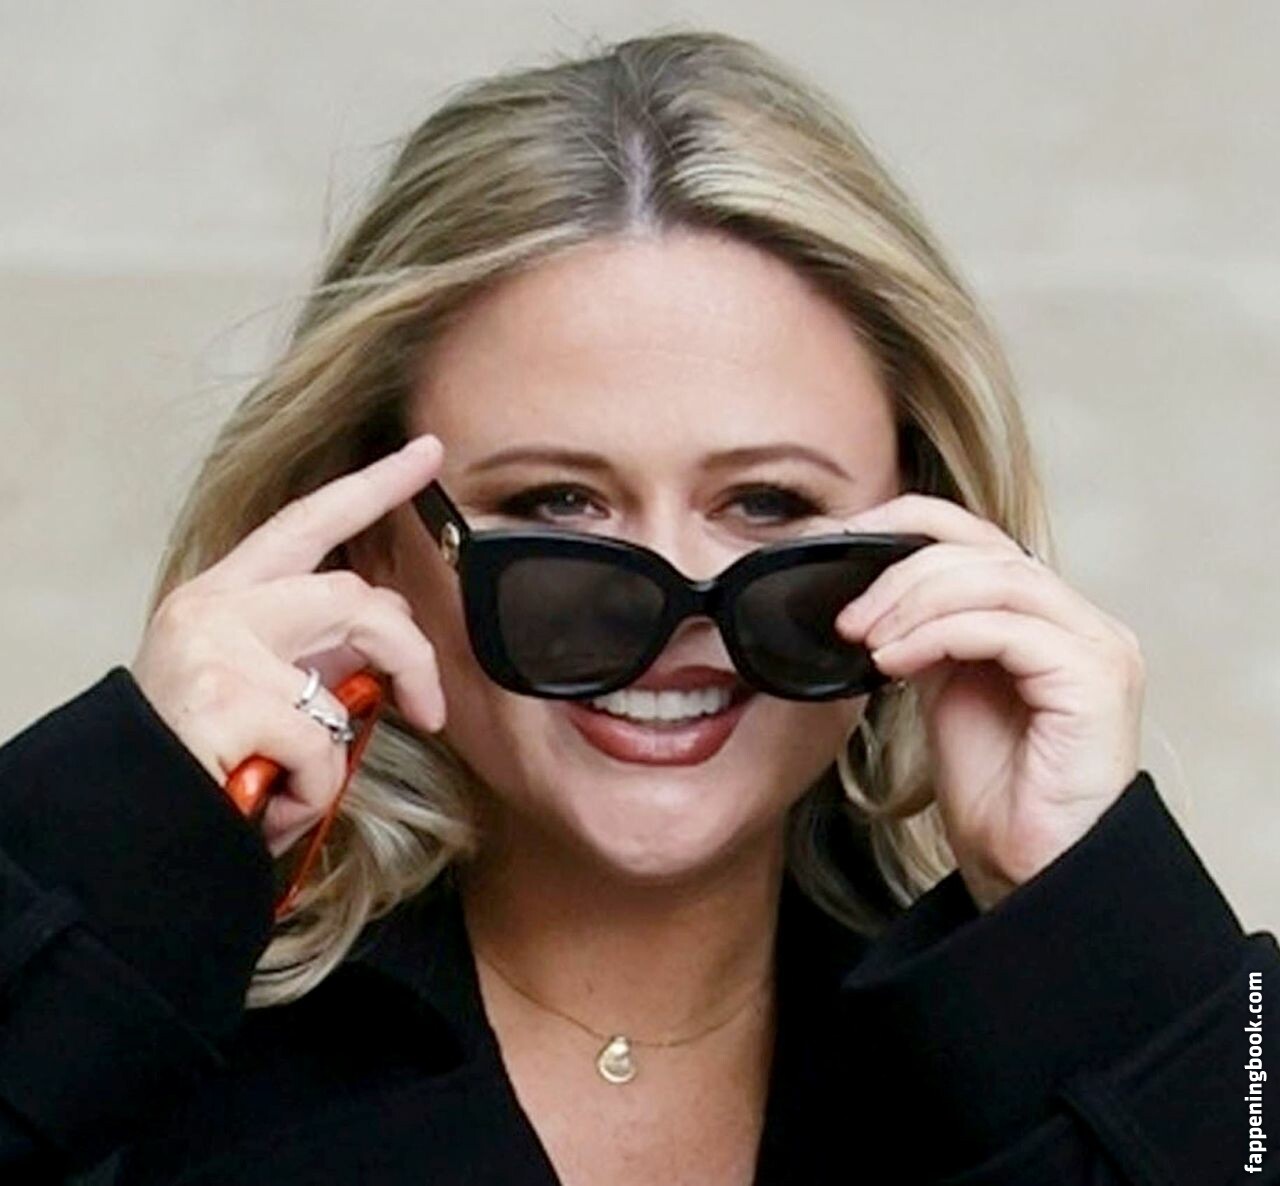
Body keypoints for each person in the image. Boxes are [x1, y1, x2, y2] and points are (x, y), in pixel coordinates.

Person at [0, 28, 1274, 1186]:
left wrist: (1106, 932)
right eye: (556, 503)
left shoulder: (1042, 1059)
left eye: (767, 503)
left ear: (923, 538)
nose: (673, 615)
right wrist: (97, 851)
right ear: (375, 542)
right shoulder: (133, 1044)